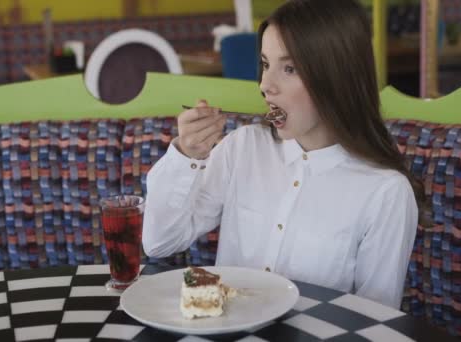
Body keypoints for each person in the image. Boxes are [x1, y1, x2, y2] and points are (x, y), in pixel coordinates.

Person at [142, 0, 422, 309]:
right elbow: (160, 243)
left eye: (289, 68)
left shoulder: (386, 192)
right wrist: (185, 155)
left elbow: (374, 322)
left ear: (336, 78)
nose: (265, 85)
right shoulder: (243, 147)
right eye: (265, 64)